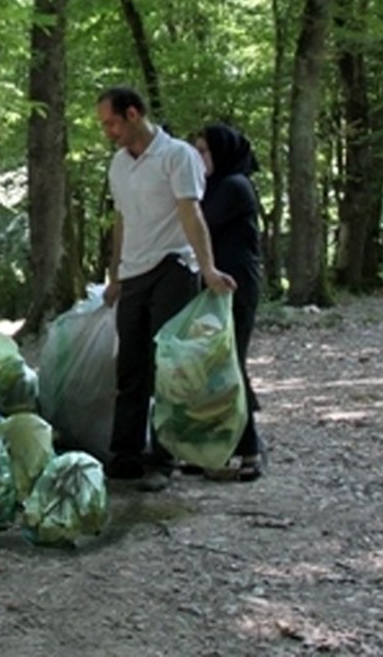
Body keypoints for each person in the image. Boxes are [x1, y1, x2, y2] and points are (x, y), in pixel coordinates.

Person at [97, 87, 236, 481]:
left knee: (168, 367)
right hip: (134, 272)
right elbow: (122, 222)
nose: (109, 132)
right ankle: (125, 453)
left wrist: (207, 268)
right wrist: (115, 276)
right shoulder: (118, 166)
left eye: (112, 123)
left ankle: (163, 457)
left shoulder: (178, 156)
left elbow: (191, 213)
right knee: (130, 365)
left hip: (173, 266)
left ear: (134, 113)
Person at [194, 123, 264, 481]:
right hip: (216, 284)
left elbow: (199, 222)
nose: (199, 157)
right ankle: (214, 446)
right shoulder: (214, 185)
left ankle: (251, 449)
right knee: (212, 364)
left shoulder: (234, 186)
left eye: (204, 151)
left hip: (237, 284)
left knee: (230, 363)